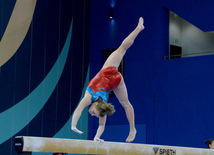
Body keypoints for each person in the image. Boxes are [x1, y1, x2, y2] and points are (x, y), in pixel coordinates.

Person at [71, 17, 145, 143]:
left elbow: (84, 112)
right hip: (112, 75)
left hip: (112, 75)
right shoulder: (97, 103)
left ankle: (133, 129)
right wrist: (77, 128)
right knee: (122, 49)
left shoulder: (93, 100)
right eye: (94, 113)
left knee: (122, 49)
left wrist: (78, 128)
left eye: (93, 114)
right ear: (95, 105)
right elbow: (95, 121)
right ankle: (132, 129)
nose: (92, 114)